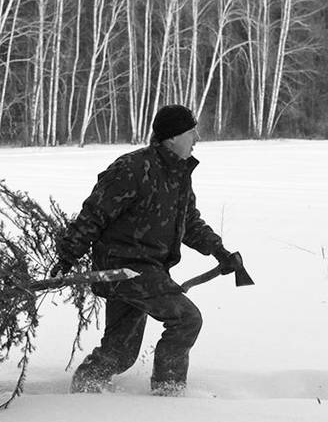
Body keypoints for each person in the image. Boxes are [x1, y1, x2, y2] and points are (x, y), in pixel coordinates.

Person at [51, 104, 244, 396]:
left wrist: (219, 251)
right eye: (192, 132)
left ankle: (87, 386)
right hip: (124, 268)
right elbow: (95, 214)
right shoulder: (132, 169)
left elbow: (188, 222)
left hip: (148, 268)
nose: (197, 138)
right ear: (172, 137)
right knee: (186, 319)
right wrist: (68, 255)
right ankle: (169, 391)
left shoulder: (178, 174)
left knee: (121, 351)